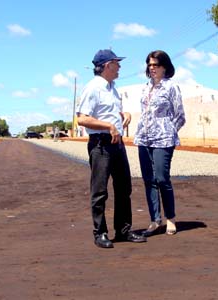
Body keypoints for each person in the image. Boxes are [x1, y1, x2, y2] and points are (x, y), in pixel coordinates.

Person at [76, 49, 147, 248]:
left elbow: (110, 112)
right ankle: (100, 233)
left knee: (124, 187)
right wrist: (109, 126)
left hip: (117, 144)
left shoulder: (112, 87)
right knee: (99, 191)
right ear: (108, 65)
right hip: (101, 145)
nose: (120, 67)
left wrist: (124, 115)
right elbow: (82, 118)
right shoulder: (93, 88)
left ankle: (123, 230)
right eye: (117, 63)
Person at [134, 50, 186, 236]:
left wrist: (168, 131)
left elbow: (180, 116)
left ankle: (170, 218)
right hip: (143, 138)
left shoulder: (171, 87)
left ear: (165, 67)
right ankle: (155, 220)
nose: (152, 68)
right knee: (149, 180)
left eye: (156, 65)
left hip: (163, 139)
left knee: (162, 178)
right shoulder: (145, 87)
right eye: (149, 64)